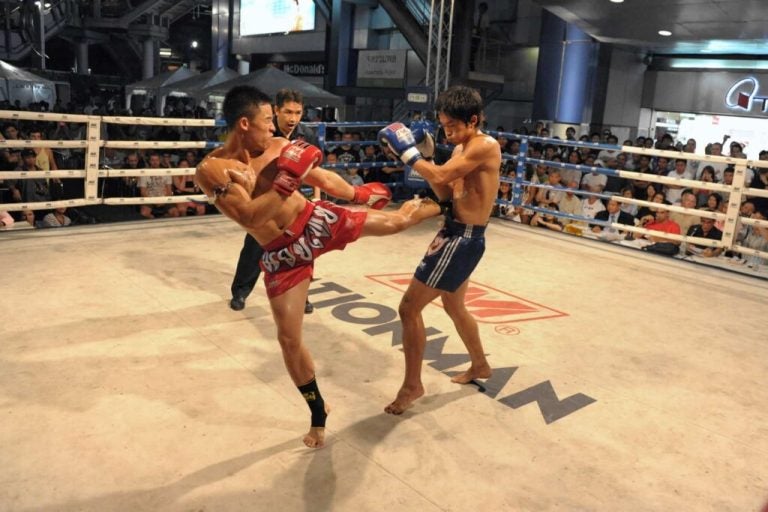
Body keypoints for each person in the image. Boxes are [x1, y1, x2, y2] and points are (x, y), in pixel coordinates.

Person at [195, 85, 440, 448]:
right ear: (244, 124)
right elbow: (247, 215)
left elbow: (321, 179)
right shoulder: (212, 169)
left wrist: (357, 195)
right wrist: (284, 182)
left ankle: (446, 201)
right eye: (267, 122)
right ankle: (318, 412)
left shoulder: (280, 147)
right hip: (282, 254)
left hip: (313, 221)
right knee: (289, 340)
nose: (275, 128)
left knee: (394, 223)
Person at [377, 85, 501, 415]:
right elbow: (445, 192)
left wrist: (410, 155)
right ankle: (480, 365)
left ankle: (412, 385)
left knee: (408, 309)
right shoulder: (463, 146)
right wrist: (427, 158)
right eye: (444, 126)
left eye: (453, 127)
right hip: (456, 233)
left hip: (462, 240)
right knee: (453, 305)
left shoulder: (485, 146)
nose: (447, 132)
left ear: (473, 120)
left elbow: (442, 174)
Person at [229, 89, 316, 313]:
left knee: (302, 248)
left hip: (294, 202)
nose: (293, 118)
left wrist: (316, 196)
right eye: (287, 111)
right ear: (276, 111)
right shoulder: (262, 131)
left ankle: (301, 295)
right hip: (264, 200)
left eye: (297, 112)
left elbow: (315, 170)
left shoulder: (307, 135)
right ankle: (240, 291)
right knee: (255, 246)